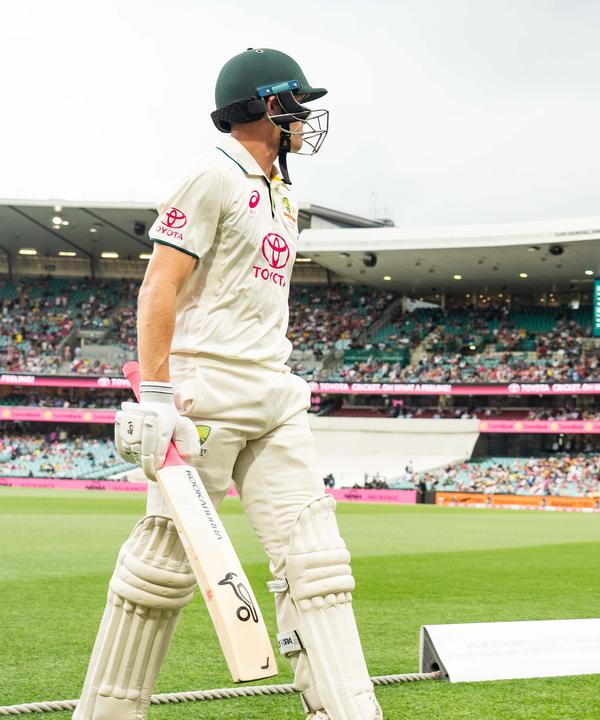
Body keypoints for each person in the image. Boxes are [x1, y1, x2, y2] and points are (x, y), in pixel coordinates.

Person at [75, 49, 381, 719]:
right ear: (270, 106)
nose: (307, 116)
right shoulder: (211, 176)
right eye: (298, 102)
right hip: (206, 393)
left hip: (274, 391)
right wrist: (156, 395)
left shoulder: (285, 195)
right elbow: (161, 283)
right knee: (161, 568)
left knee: (317, 562)